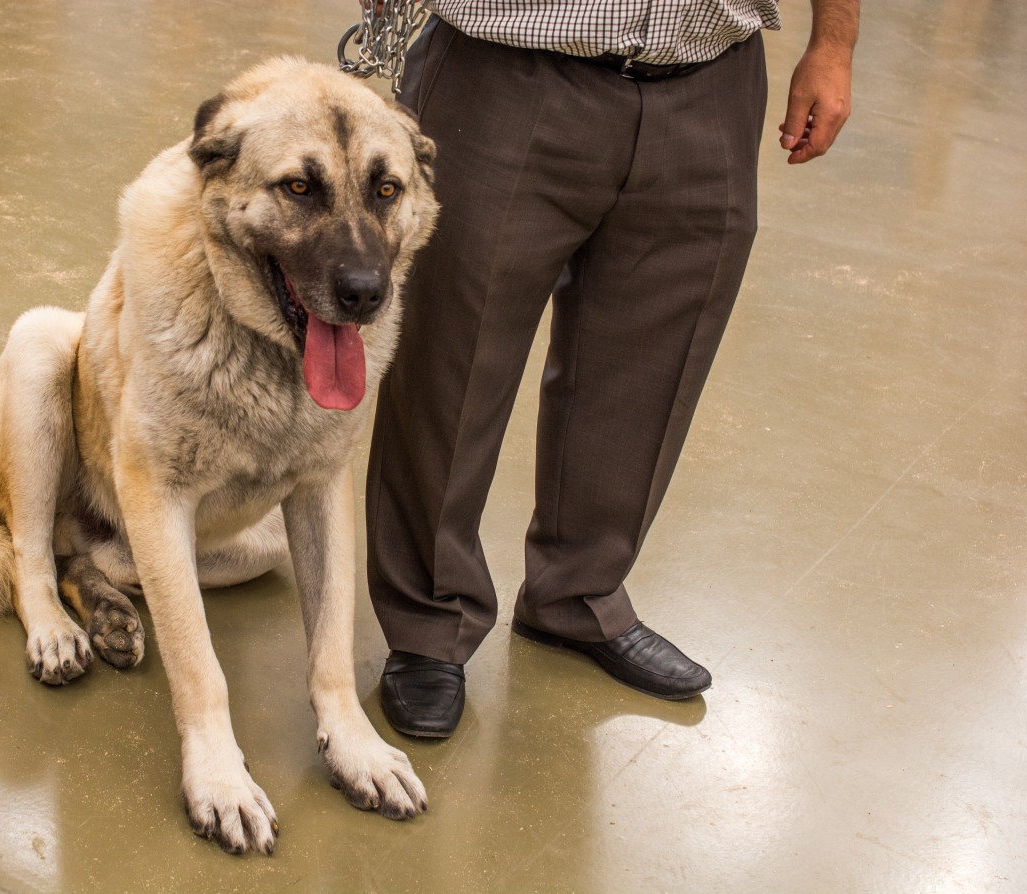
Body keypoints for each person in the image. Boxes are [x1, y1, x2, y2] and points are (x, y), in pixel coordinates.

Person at [366, 0, 858, 737]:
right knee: (453, 360)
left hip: (709, 76)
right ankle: (429, 622)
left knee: (653, 356)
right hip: (504, 66)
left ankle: (579, 594)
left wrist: (833, 43)